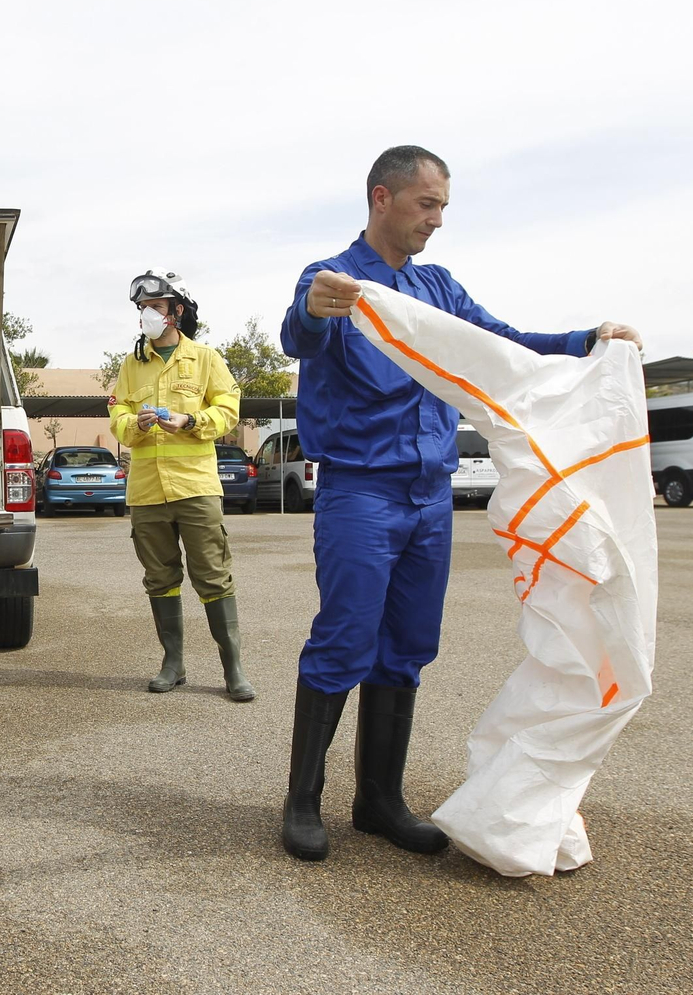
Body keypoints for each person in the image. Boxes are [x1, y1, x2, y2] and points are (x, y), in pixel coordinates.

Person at [278, 146, 641, 861]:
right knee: (344, 638)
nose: (437, 220)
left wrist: (584, 341)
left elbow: (498, 343)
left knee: (408, 646)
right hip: (361, 490)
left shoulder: (438, 287)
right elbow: (301, 330)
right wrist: (314, 312)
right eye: (426, 204)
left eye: (443, 206)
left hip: (428, 496)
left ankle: (378, 800)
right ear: (382, 197)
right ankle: (300, 803)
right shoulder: (336, 280)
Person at [109, 269, 255, 702]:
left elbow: (229, 410)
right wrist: (134, 424)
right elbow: (117, 419)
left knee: (212, 576)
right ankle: (173, 664)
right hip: (148, 493)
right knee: (160, 578)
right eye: (142, 309)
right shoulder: (131, 364)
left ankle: (233, 668)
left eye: (155, 307)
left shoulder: (206, 358)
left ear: (177, 312)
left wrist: (190, 421)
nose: (147, 315)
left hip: (196, 488)